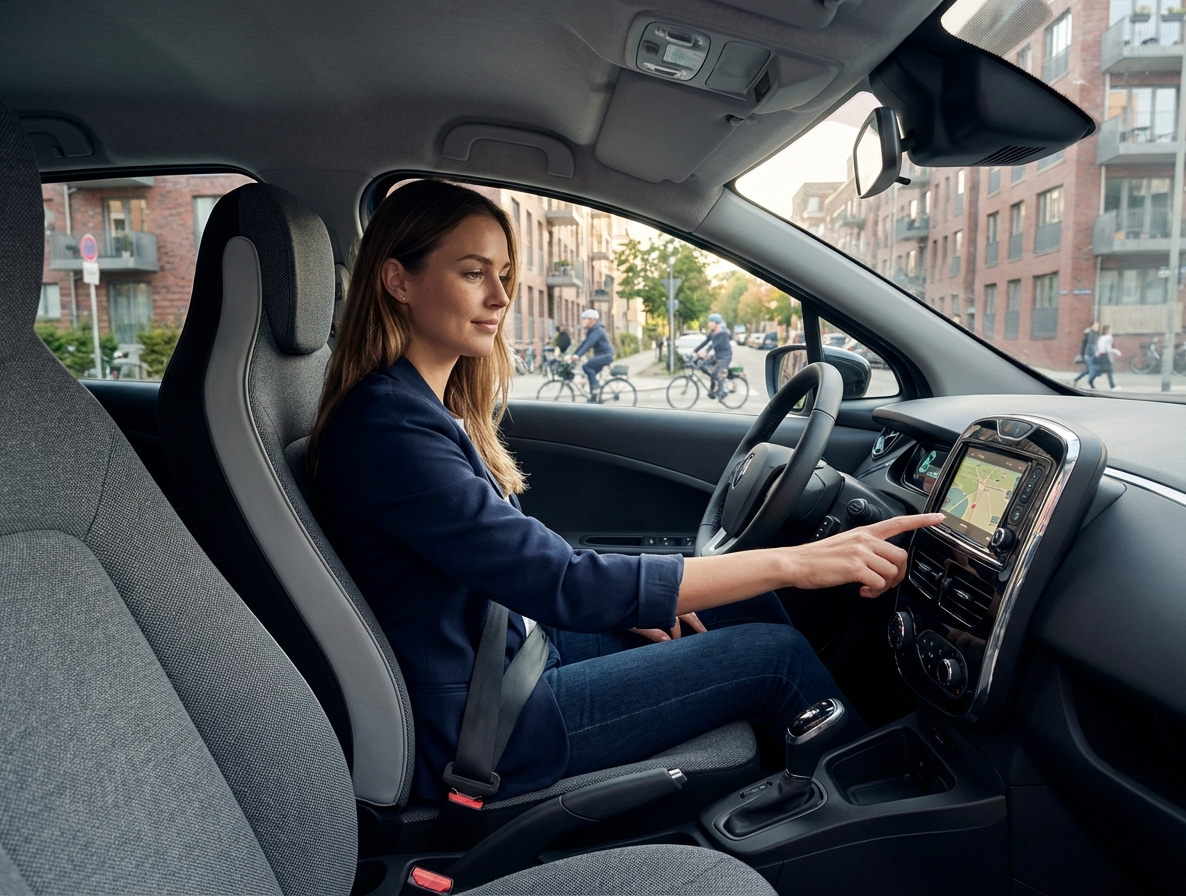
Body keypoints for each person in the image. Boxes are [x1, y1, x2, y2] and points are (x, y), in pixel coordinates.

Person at [307, 178, 943, 806]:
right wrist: (795, 563)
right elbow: (557, 578)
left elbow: (522, 560)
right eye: (474, 273)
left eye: (504, 273)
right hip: (487, 721)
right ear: (398, 281)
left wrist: (635, 604)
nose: (501, 296)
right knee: (773, 656)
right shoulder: (388, 427)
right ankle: (881, 823)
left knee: (738, 608)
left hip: (510, 654)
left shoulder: (424, 409)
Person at [571, 308, 614, 402]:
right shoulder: (592, 330)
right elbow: (584, 343)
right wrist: (575, 354)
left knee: (587, 366)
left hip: (606, 356)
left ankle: (595, 391)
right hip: (602, 355)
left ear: (592, 320)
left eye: (585, 318)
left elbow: (589, 343)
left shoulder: (597, 330)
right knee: (591, 373)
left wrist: (578, 355)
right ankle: (595, 395)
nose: (583, 321)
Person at [695, 312, 734, 399]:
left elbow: (714, 344)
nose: (709, 324)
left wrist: (705, 352)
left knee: (717, 374)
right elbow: (706, 341)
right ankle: (713, 385)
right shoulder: (713, 332)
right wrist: (695, 350)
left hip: (725, 357)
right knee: (702, 365)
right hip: (717, 355)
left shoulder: (723, 332)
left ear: (716, 323)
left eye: (710, 322)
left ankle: (721, 392)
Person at [1089, 323, 1121, 390]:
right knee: (1109, 371)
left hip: (1101, 355)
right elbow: (1108, 348)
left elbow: (1100, 347)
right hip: (1105, 356)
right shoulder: (1109, 337)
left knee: (1101, 371)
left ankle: (1091, 381)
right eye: (1110, 329)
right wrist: (1116, 351)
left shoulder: (1101, 337)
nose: (1111, 330)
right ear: (1107, 330)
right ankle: (1112, 386)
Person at [1073, 322, 1098, 386]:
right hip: (1089, 354)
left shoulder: (1093, 333)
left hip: (1090, 354)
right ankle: (1091, 383)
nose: (1097, 327)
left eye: (1097, 326)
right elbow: (1089, 345)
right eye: (1095, 326)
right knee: (1092, 370)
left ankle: (1076, 380)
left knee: (1088, 370)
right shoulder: (1090, 334)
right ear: (1091, 326)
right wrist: (1085, 354)